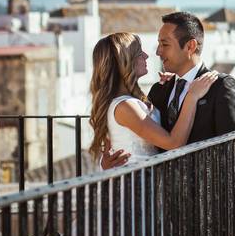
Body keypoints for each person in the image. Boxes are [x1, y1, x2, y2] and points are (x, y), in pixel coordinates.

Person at [100, 11, 235, 169]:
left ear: (190, 46)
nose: (158, 52)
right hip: (162, 188)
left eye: (165, 44)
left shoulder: (220, 86)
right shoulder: (159, 89)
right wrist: (106, 164)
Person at [88, 31, 219, 165]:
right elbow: (174, 143)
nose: (146, 56)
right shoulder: (125, 106)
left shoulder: (126, 101)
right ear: (124, 62)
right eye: (139, 53)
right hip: (136, 182)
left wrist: (173, 84)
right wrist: (192, 96)